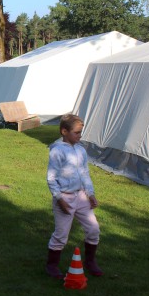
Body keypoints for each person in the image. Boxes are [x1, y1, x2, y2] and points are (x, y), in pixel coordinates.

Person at [45, 114, 103, 279]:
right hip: (64, 198)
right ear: (64, 131)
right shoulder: (57, 151)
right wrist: (60, 199)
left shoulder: (80, 150)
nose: (80, 136)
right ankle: (52, 265)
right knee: (62, 234)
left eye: (80, 132)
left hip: (81, 197)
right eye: (77, 132)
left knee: (93, 229)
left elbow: (84, 173)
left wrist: (90, 194)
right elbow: (51, 178)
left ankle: (90, 262)